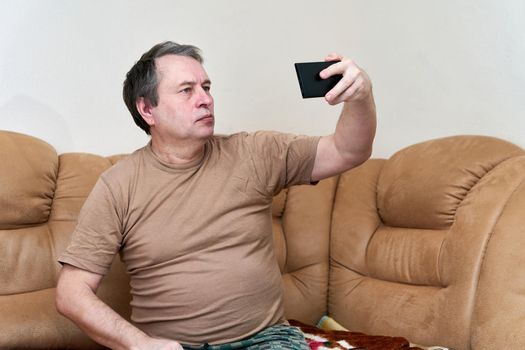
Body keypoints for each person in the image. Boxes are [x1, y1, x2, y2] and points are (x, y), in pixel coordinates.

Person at [55, 41, 376, 350]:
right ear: (147, 109)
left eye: (206, 87)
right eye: (186, 90)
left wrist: (360, 97)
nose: (205, 99)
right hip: (173, 347)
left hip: (267, 339)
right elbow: (71, 293)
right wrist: (140, 343)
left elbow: (347, 151)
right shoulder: (117, 186)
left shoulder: (254, 152)